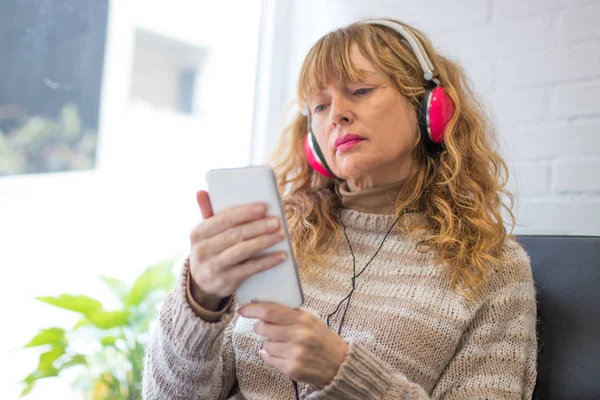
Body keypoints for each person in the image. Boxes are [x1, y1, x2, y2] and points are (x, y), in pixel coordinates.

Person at [143, 18, 538, 399]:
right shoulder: (279, 239)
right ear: (312, 143)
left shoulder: (491, 269)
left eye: (360, 90)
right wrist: (201, 300)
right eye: (319, 106)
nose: (337, 116)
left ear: (429, 106)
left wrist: (345, 375)